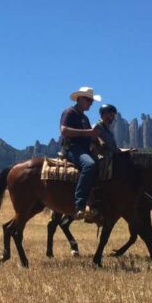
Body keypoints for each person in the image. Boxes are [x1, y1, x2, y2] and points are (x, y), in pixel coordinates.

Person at [60, 86, 101, 220]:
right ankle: (80, 204)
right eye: (89, 100)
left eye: (92, 101)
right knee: (89, 165)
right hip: (72, 148)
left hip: (84, 150)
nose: (91, 103)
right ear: (80, 99)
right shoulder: (69, 112)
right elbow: (64, 131)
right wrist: (88, 133)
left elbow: (90, 136)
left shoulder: (85, 118)